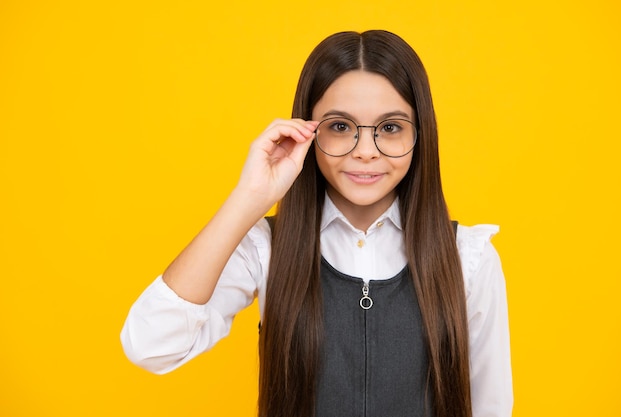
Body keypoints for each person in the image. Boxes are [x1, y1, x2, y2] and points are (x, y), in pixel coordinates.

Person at [121, 30, 513, 417]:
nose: (365, 152)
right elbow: (151, 344)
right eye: (340, 126)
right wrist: (249, 198)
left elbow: (490, 407)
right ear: (308, 131)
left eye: (390, 128)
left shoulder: (469, 256)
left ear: (420, 134)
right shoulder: (266, 249)